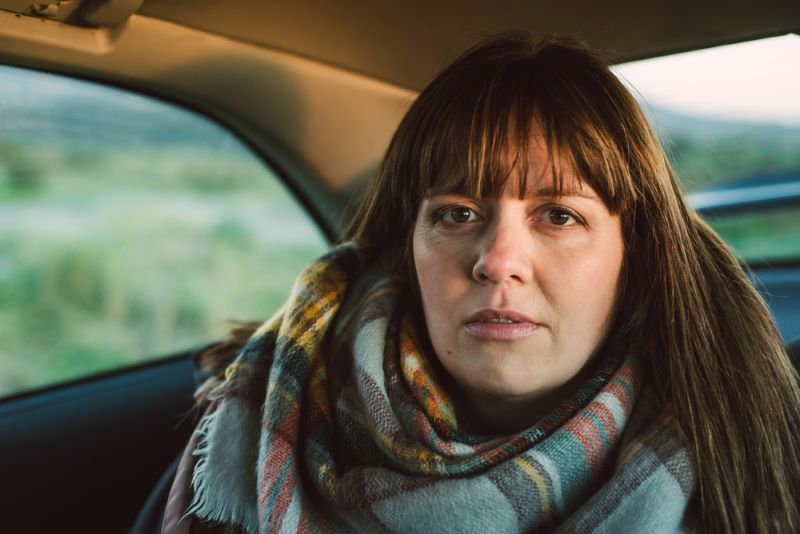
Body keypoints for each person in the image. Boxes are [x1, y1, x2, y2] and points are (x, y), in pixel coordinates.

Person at [160, 34, 800, 533]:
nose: (498, 261)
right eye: (458, 214)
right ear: (409, 246)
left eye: (558, 215)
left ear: (635, 257)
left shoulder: (748, 454)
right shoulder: (257, 420)